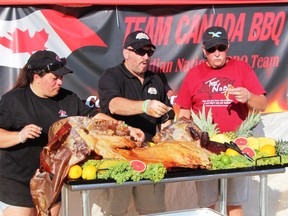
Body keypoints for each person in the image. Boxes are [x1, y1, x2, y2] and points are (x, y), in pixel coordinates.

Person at [0, 50, 144, 216]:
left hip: (53, 178)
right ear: (36, 77)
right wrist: (19, 136)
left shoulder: (68, 98)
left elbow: (96, 117)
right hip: (18, 180)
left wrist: (127, 128)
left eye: (61, 77)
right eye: (54, 78)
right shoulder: (13, 100)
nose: (60, 82)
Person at [175, 26, 267, 216]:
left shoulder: (242, 68)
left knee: (234, 203)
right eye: (211, 49)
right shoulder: (193, 74)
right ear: (203, 50)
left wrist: (248, 95)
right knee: (207, 205)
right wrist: (184, 136)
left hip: (236, 148)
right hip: (204, 149)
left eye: (221, 48)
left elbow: (262, 104)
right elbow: (183, 113)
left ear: (228, 47)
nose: (217, 54)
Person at [98, 30, 174, 215]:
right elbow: (113, 105)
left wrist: (167, 129)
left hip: (150, 155)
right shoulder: (112, 76)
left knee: (154, 211)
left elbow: (166, 113)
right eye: (141, 52)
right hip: (118, 156)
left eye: (149, 53)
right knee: (114, 212)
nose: (146, 57)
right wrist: (145, 106)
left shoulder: (156, 78)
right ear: (126, 52)